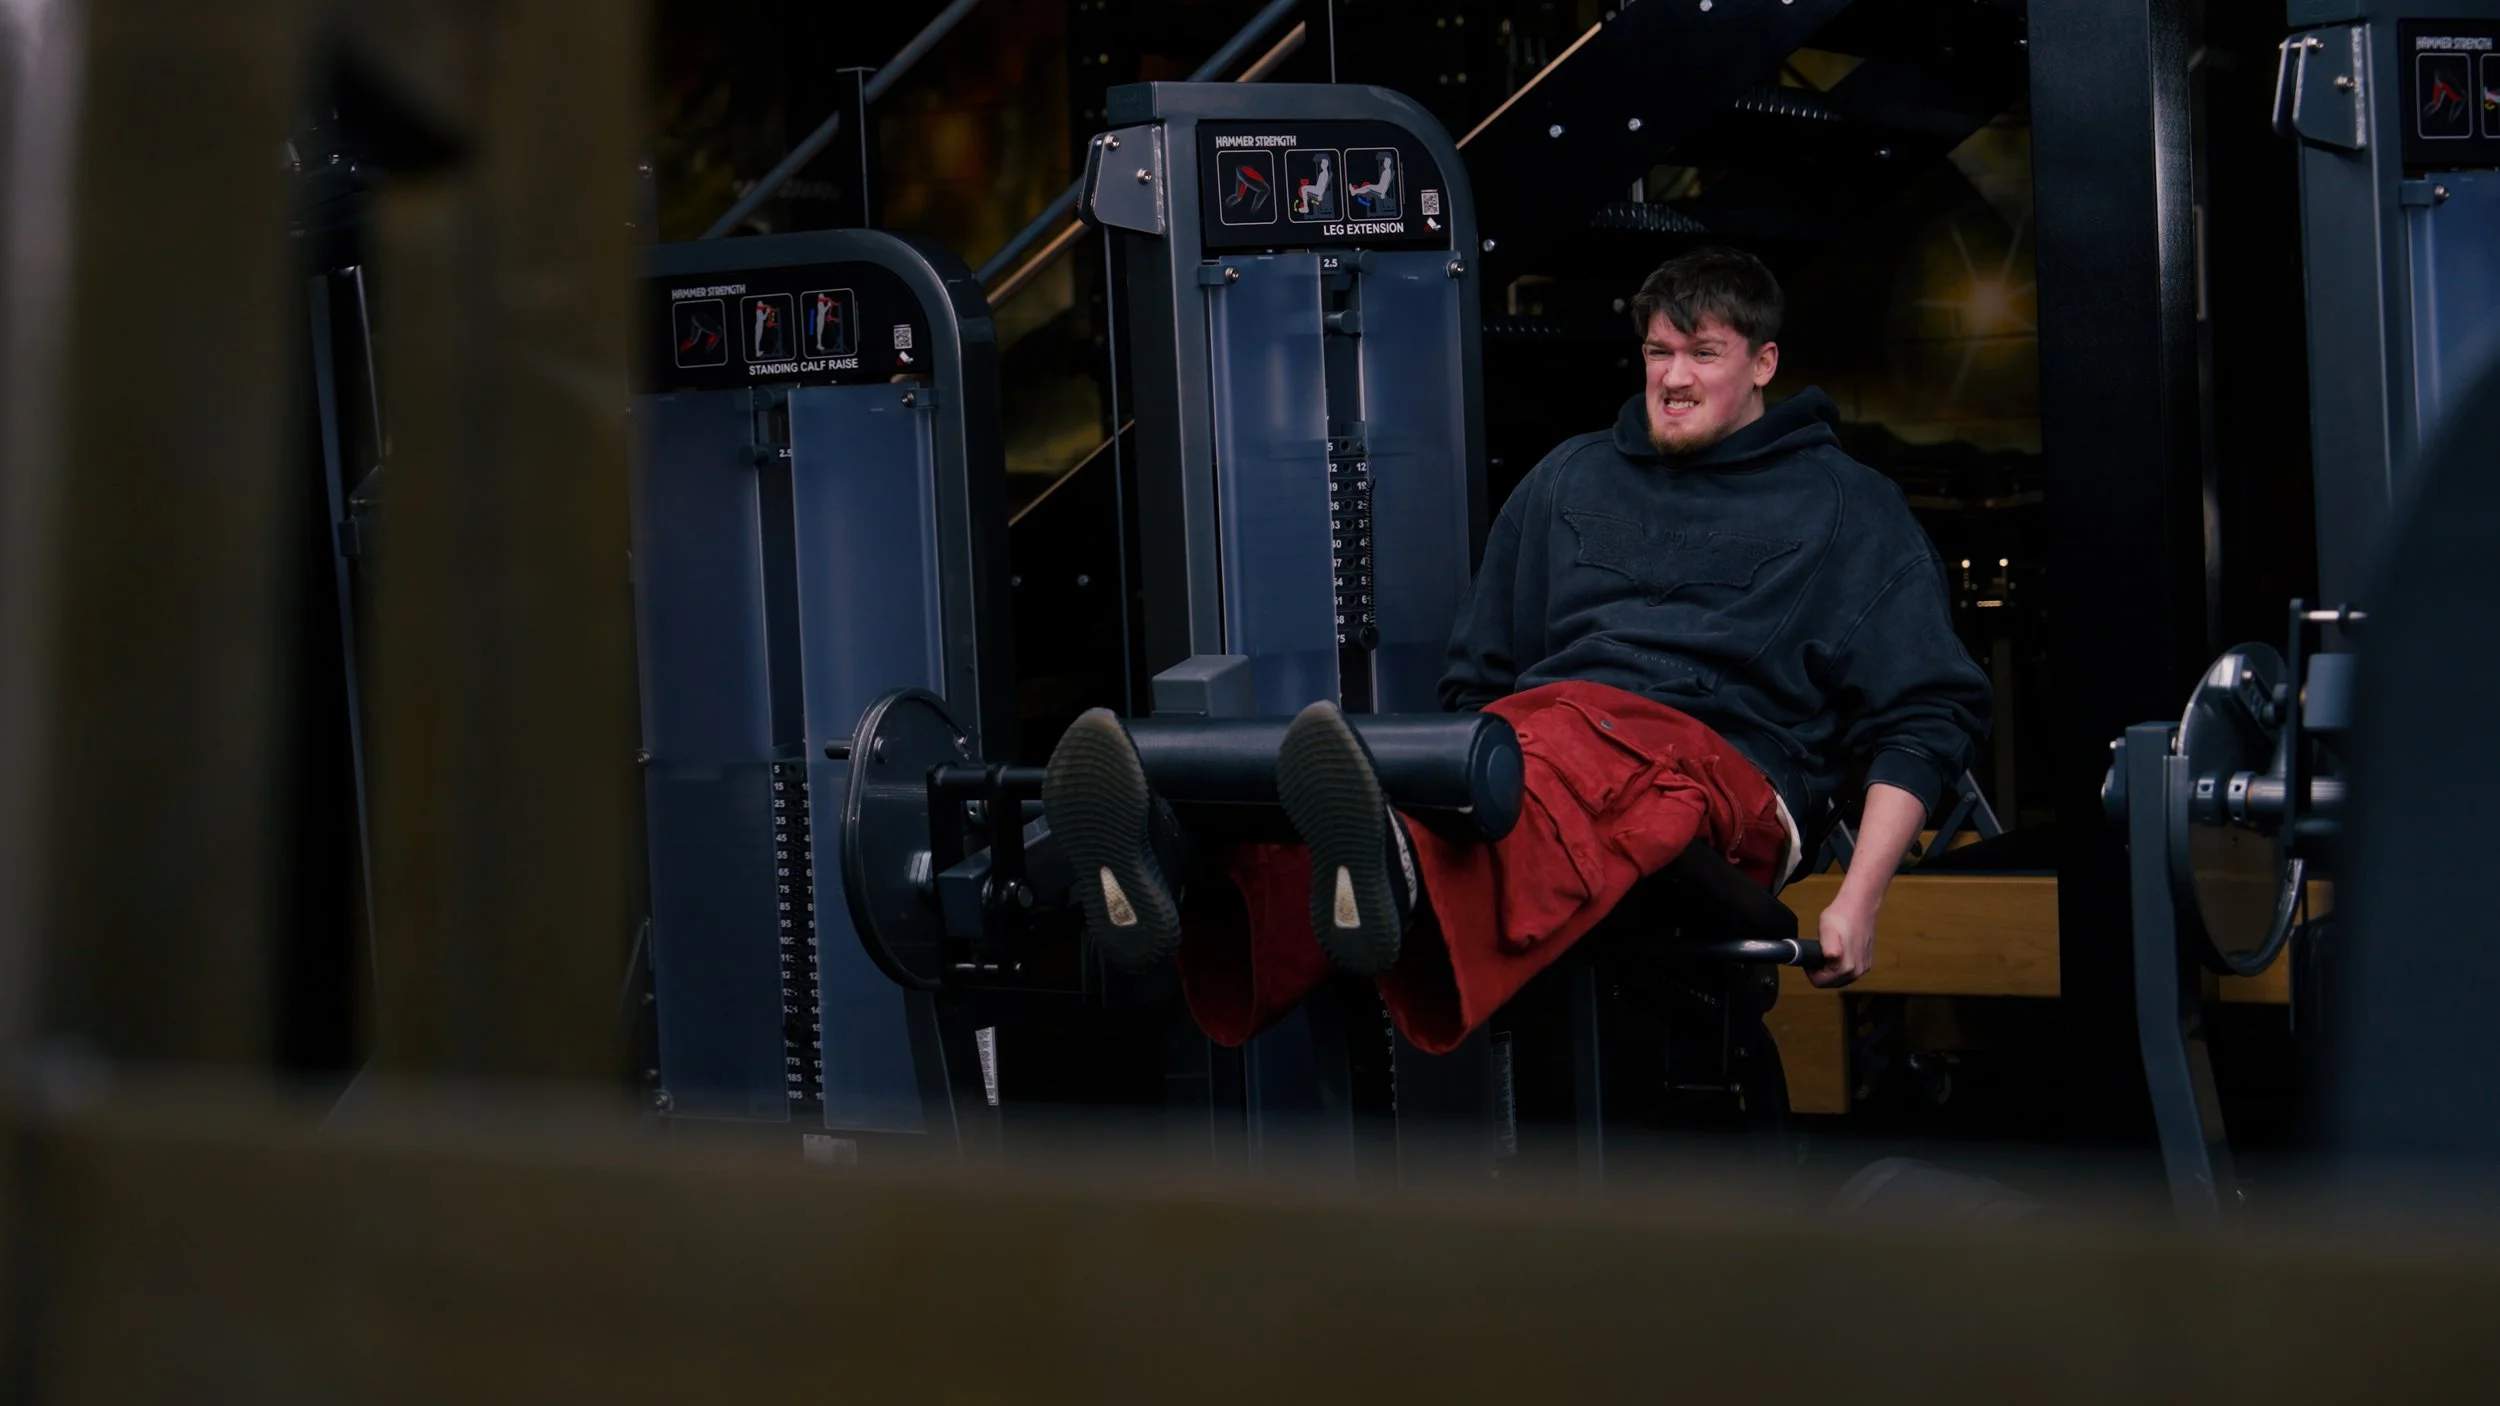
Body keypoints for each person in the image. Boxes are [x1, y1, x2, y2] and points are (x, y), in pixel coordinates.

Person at [1043, 246, 1990, 1055]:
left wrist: (1861, 898)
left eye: (1704, 353)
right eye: (1658, 351)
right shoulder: (1568, 478)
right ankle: (1197, 868)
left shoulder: (1850, 508)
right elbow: (1481, 682)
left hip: (1726, 774)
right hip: (1548, 740)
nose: (1673, 376)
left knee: (1567, 757)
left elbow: (1925, 716)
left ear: (1764, 363)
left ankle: (1394, 860)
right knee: (1442, 759)